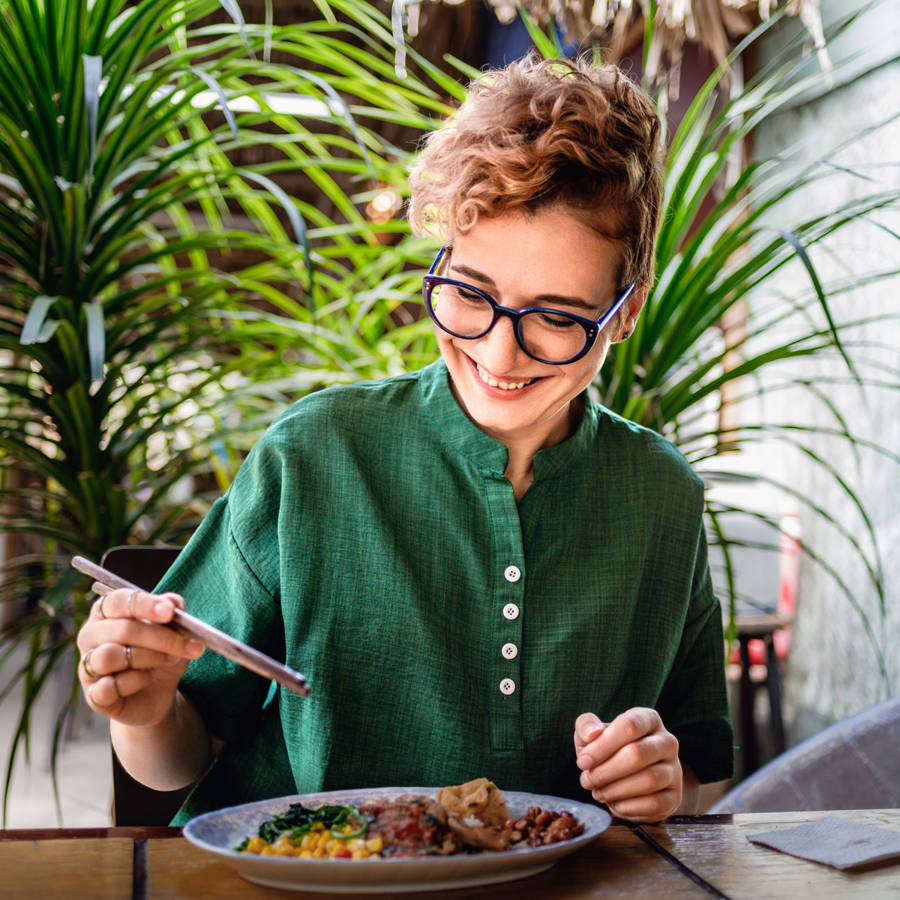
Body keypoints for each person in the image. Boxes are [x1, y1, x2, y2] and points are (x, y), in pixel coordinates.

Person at [75, 55, 733, 826]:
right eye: (470, 294)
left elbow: (702, 767)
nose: (498, 354)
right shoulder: (316, 456)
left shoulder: (662, 496)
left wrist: (667, 782)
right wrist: (143, 709)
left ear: (623, 312)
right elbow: (178, 758)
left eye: (557, 317)